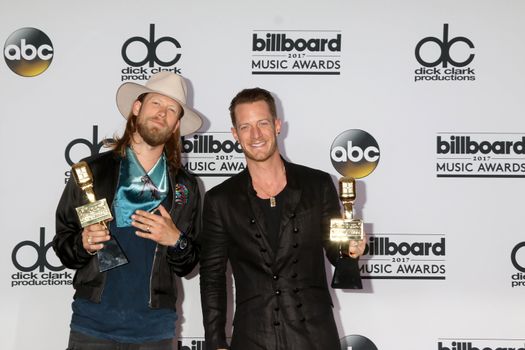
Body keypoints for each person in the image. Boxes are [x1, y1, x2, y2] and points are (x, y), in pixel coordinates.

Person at [199, 88, 366, 350]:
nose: (256, 135)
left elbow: (337, 252)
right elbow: (212, 278)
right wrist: (215, 342)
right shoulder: (220, 200)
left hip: (314, 333)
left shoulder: (318, 185)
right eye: (245, 126)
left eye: (263, 123)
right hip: (253, 334)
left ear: (277, 125)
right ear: (235, 134)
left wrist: (351, 251)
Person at [53, 71, 202, 350]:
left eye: (172, 110)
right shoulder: (91, 172)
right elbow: (63, 245)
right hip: (92, 325)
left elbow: (189, 263)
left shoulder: (186, 186)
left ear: (176, 125)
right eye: (156, 103)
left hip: (154, 330)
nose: (162, 113)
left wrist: (176, 240)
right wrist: (83, 243)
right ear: (137, 107)